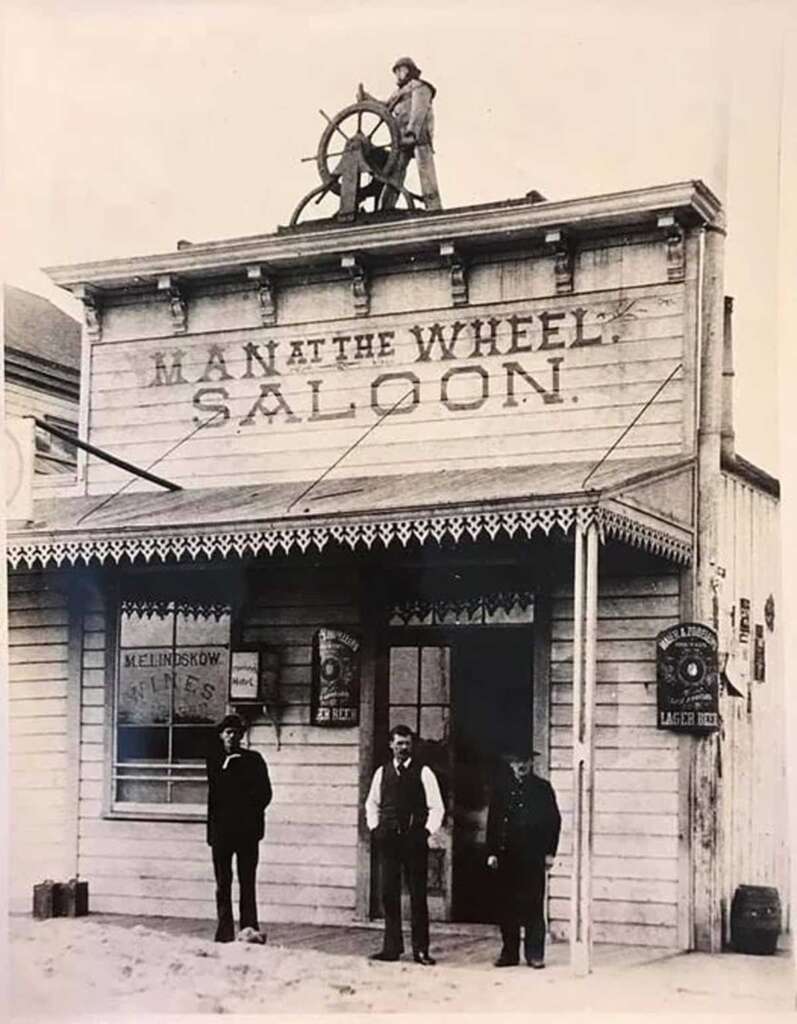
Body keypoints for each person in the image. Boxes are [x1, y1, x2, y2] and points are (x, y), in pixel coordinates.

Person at [364, 724, 445, 964]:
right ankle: (392, 948)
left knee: (418, 896)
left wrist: (426, 831)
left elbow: (437, 807)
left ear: (412, 745)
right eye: (399, 743)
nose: (403, 748)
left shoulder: (424, 772)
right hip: (388, 840)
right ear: (391, 745)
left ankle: (421, 950)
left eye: (407, 743)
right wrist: (375, 828)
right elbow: (372, 804)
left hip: (414, 842)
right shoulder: (382, 772)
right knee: (389, 894)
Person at [486, 746, 561, 968]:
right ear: (510, 764)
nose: (521, 765)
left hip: (533, 856)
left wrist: (549, 853)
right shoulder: (501, 789)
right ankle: (509, 953)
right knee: (506, 906)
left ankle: (535, 954)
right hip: (507, 855)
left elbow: (553, 822)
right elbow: (494, 822)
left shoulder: (542, 789)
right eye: (517, 761)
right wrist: (492, 852)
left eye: (525, 761)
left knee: (533, 905)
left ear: (531, 763)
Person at [206, 713, 272, 943]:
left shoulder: (254, 759)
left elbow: (265, 793)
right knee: (223, 883)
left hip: (246, 831)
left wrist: (246, 809)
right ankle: (224, 931)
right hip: (222, 832)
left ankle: (249, 928)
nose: (232, 737)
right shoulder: (215, 761)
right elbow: (218, 791)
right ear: (221, 735)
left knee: (247, 880)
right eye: (227, 732)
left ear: (242, 736)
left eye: (236, 732)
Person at [356, 57, 442, 211]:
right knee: (395, 172)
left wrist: (412, 132)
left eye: (400, 71)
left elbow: (418, 111)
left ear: (408, 70)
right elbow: (385, 108)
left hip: (418, 136)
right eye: (396, 72)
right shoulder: (399, 92)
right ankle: (386, 208)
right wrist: (367, 99)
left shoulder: (420, 87)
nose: (397, 75)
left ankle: (434, 207)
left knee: (425, 170)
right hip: (401, 138)